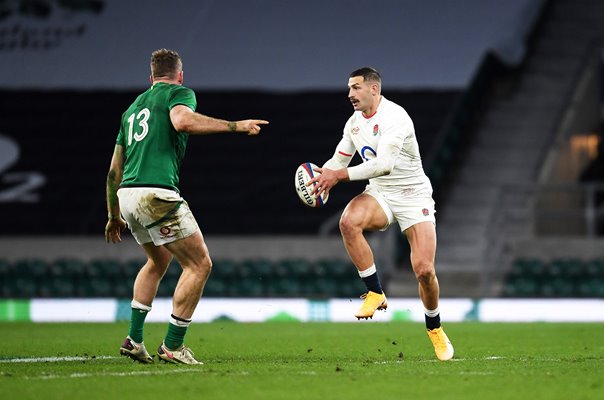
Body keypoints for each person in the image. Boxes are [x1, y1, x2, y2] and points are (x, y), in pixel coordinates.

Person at [105, 48, 268, 365]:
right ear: (179, 75)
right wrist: (236, 126)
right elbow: (181, 121)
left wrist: (113, 216)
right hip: (156, 194)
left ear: (150, 77)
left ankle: (134, 340)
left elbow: (114, 171)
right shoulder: (179, 93)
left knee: (158, 260)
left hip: (127, 196)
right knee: (200, 264)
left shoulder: (131, 110)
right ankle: (173, 345)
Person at [308, 67, 454, 361]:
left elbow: (384, 164)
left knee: (424, 270)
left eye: (356, 87)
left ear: (374, 89)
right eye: (349, 88)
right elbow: (339, 159)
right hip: (381, 193)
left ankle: (434, 328)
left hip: (413, 195)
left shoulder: (395, 117)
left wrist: (338, 176)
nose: (350, 94)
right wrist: (322, 177)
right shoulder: (354, 123)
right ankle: (375, 292)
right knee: (348, 222)